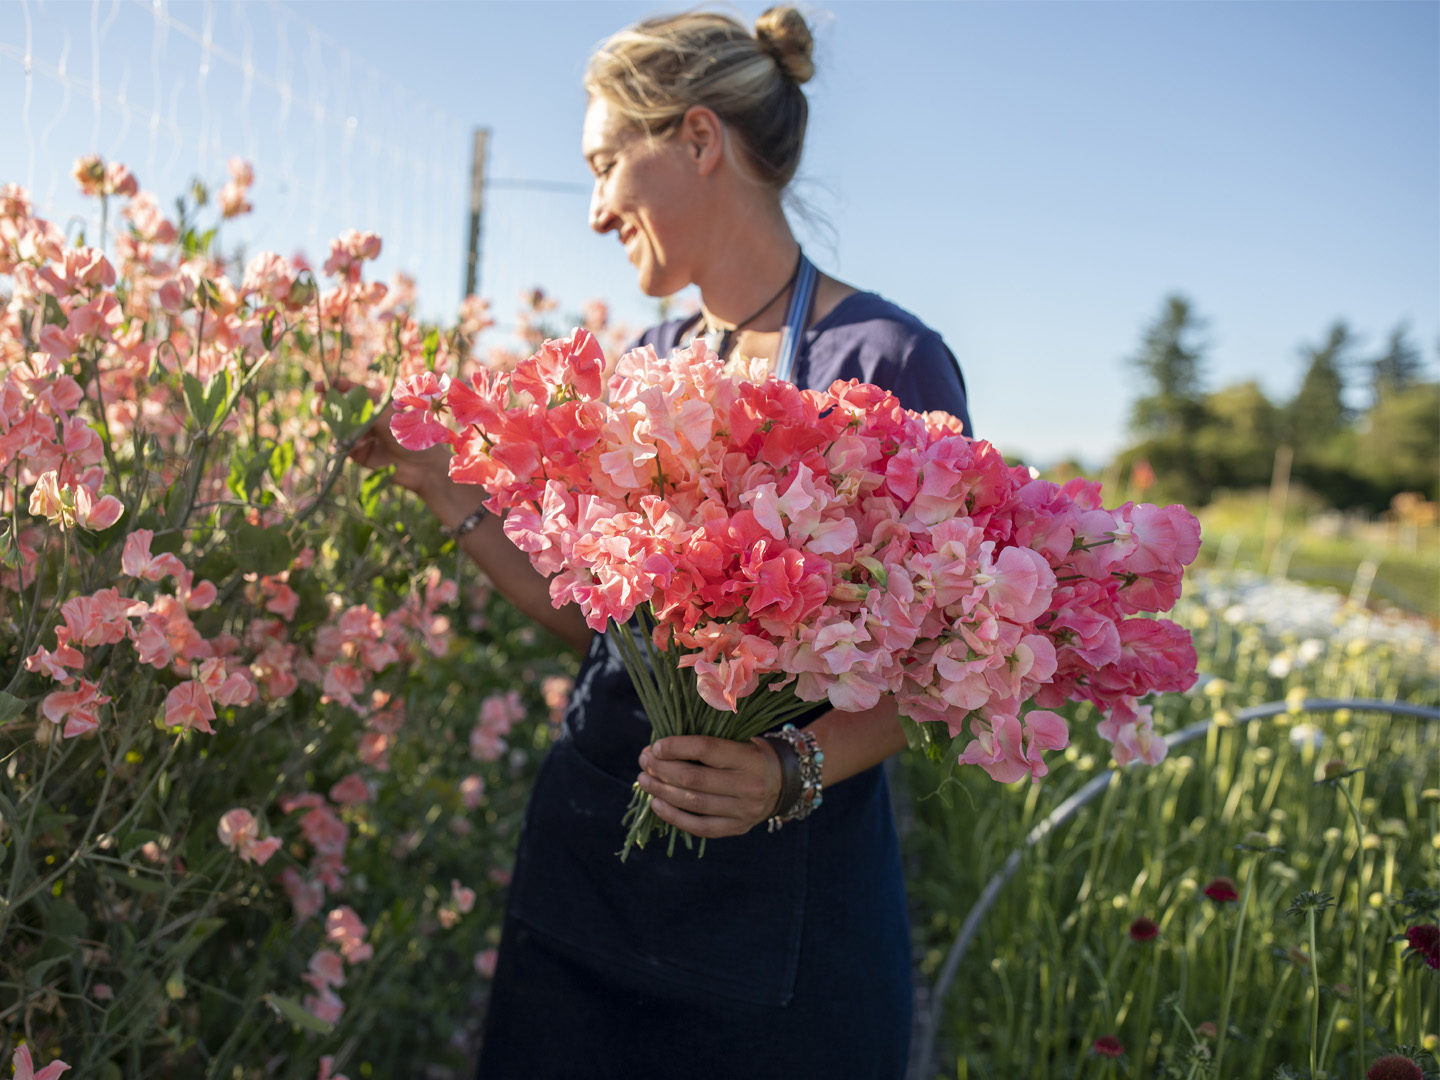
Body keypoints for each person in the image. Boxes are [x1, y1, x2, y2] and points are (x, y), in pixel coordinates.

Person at [350, 8, 972, 1077]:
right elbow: (597, 626)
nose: (594, 211)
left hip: (783, 921)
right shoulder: (642, 360)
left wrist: (790, 767)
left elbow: (945, 663)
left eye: (604, 165)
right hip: (589, 875)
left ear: (696, 139)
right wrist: (445, 491)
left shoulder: (886, 358)